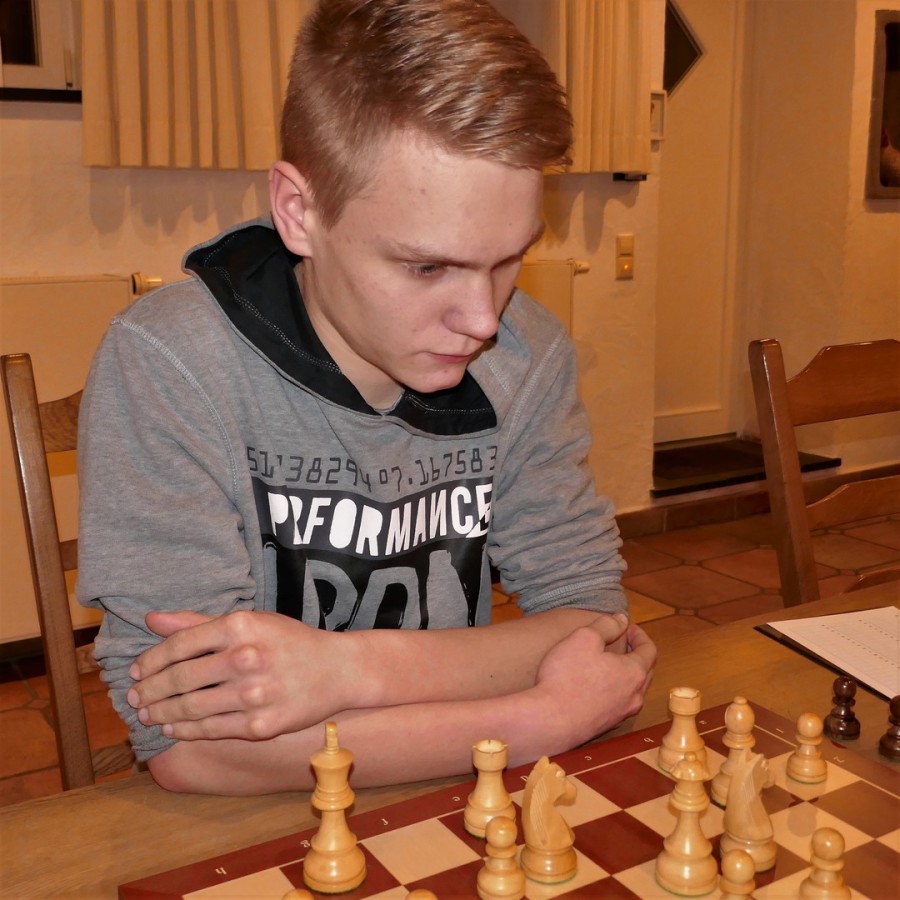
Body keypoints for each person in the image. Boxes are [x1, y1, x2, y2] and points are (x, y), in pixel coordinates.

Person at [77, 0, 656, 796]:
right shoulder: (173, 362)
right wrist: (535, 720)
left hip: (445, 797)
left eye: (508, 260)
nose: (483, 319)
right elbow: (191, 748)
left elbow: (594, 623)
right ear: (299, 211)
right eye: (427, 267)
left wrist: (347, 669)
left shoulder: (529, 353)